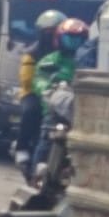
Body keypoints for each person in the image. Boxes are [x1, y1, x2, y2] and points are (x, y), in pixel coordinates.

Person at [28, 17, 87, 179]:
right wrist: (48, 90)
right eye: (69, 39)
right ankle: (36, 175)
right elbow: (39, 79)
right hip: (54, 109)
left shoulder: (85, 60)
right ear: (59, 39)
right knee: (47, 138)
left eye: (78, 40)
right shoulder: (51, 60)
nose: (73, 44)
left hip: (80, 109)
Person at [12, 9, 66, 169]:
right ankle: (21, 147)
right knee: (31, 111)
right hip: (34, 93)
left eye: (55, 32)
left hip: (61, 94)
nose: (51, 36)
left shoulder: (66, 53)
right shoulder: (32, 53)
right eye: (48, 32)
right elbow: (27, 80)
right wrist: (44, 89)